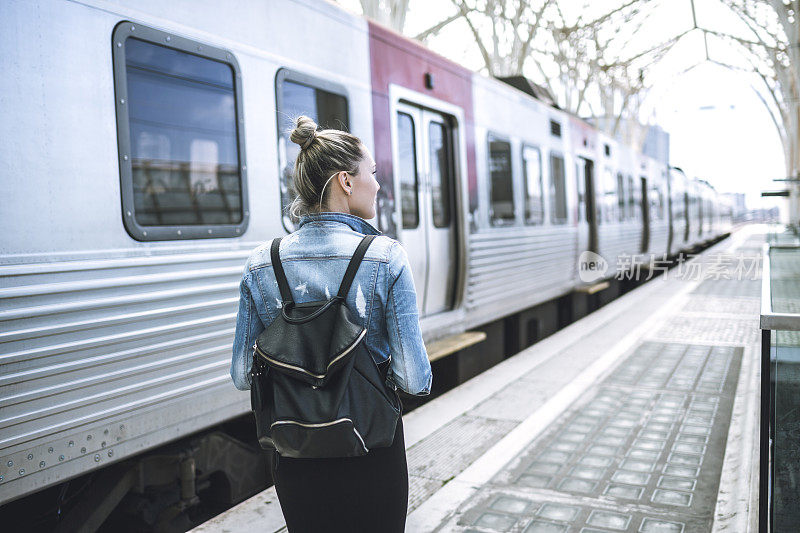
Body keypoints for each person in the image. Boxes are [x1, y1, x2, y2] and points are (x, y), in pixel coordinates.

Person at [230, 115, 433, 532]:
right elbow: (414, 379)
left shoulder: (260, 263)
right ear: (345, 181)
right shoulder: (386, 257)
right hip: (371, 447)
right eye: (372, 174)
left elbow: (240, 375)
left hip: (294, 451)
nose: (378, 185)